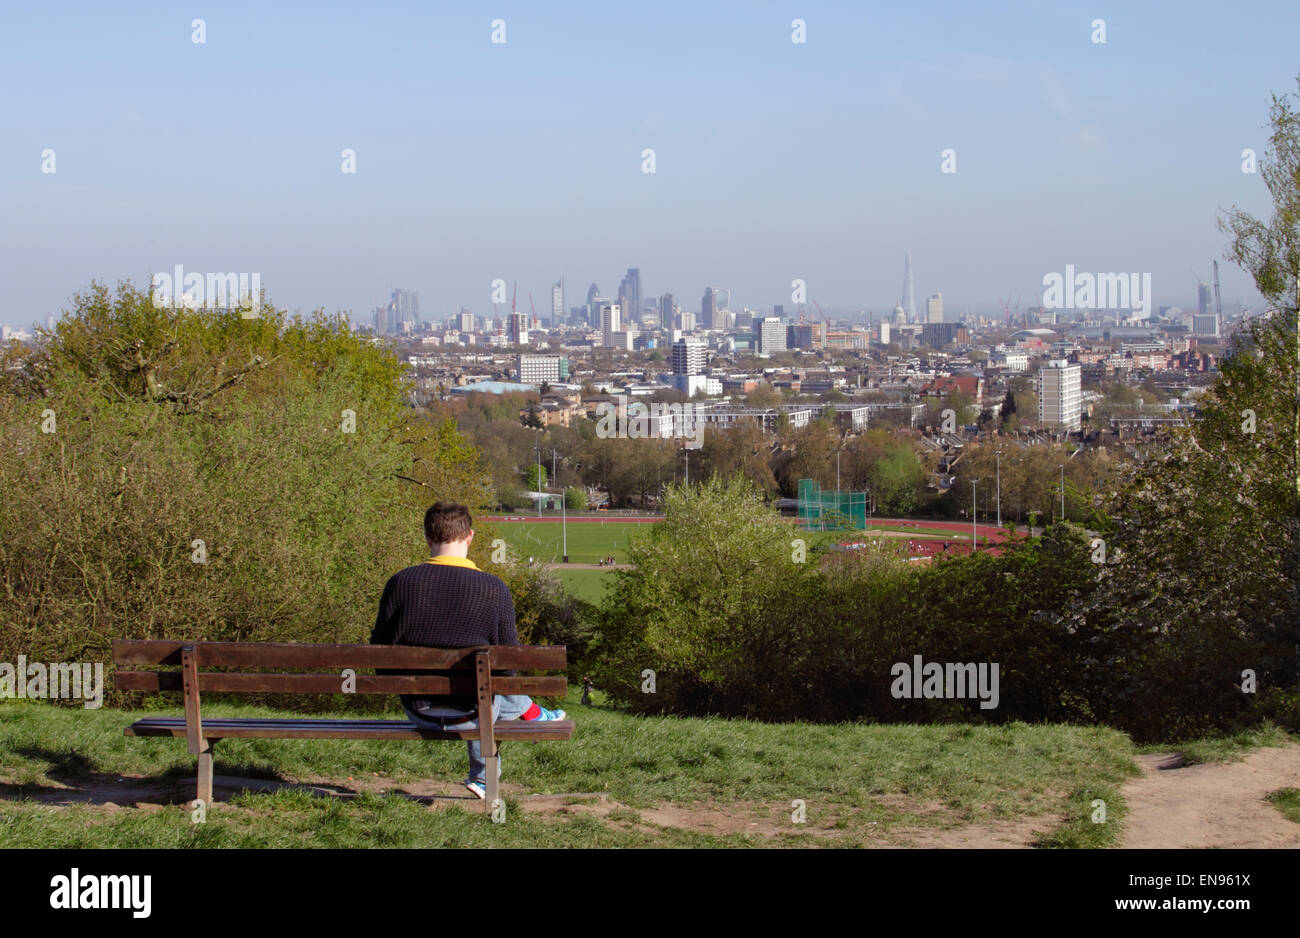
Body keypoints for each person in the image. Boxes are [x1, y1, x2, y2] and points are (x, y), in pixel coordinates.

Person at [370, 501, 566, 801]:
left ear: (427, 537)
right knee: (492, 686)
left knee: (489, 688)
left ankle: (531, 716)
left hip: (419, 710)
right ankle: (494, 766)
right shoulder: (494, 588)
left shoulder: (400, 583)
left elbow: (379, 659)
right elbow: (509, 668)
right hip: (475, 712)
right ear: (470, 537)